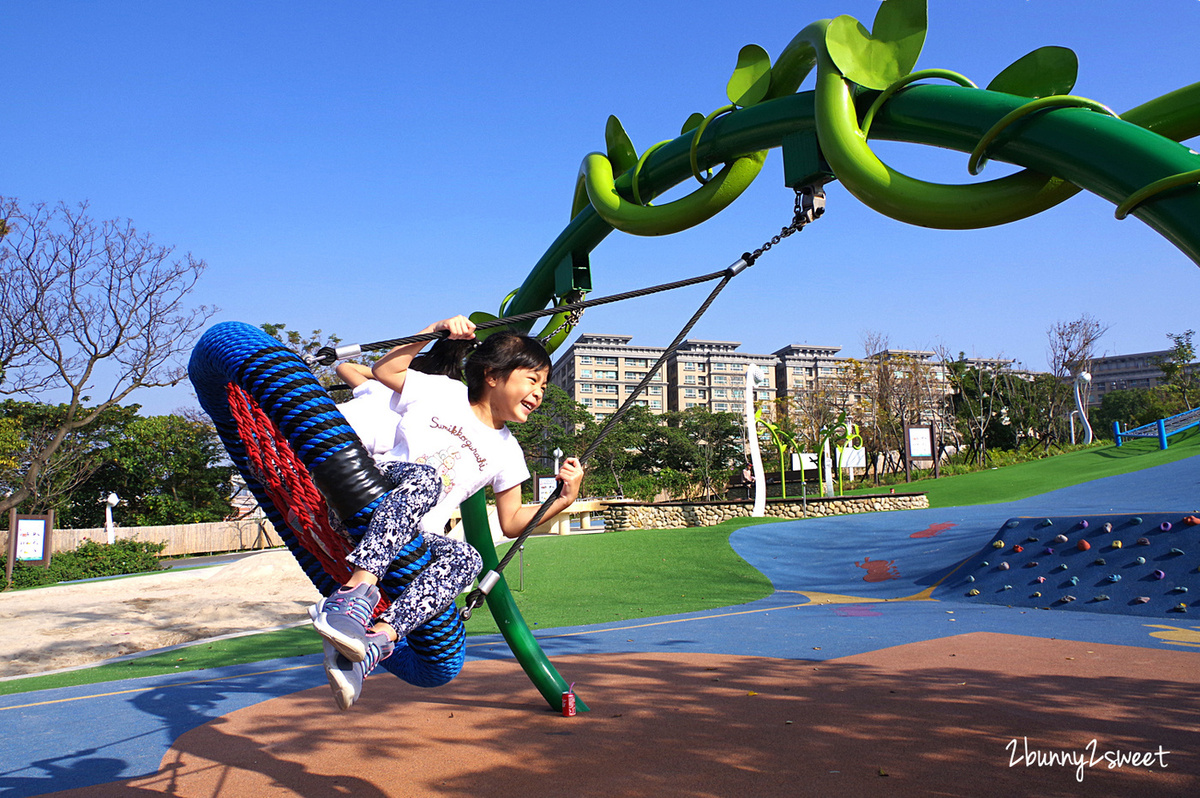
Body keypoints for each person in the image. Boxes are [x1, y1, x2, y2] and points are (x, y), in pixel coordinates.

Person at [311, 315, 584, 710]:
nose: (539, 392)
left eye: (543, 385)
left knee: (467, 558)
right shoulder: (444, 392)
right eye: (532, 380)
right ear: (492, 374)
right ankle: (354, 595)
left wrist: (562, 500)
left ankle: (374, 643)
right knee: (426, 479)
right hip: (371, 499)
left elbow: (511, 522)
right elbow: (386, 369)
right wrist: (431, 331)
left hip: (412, 539)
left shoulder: (509, 451)